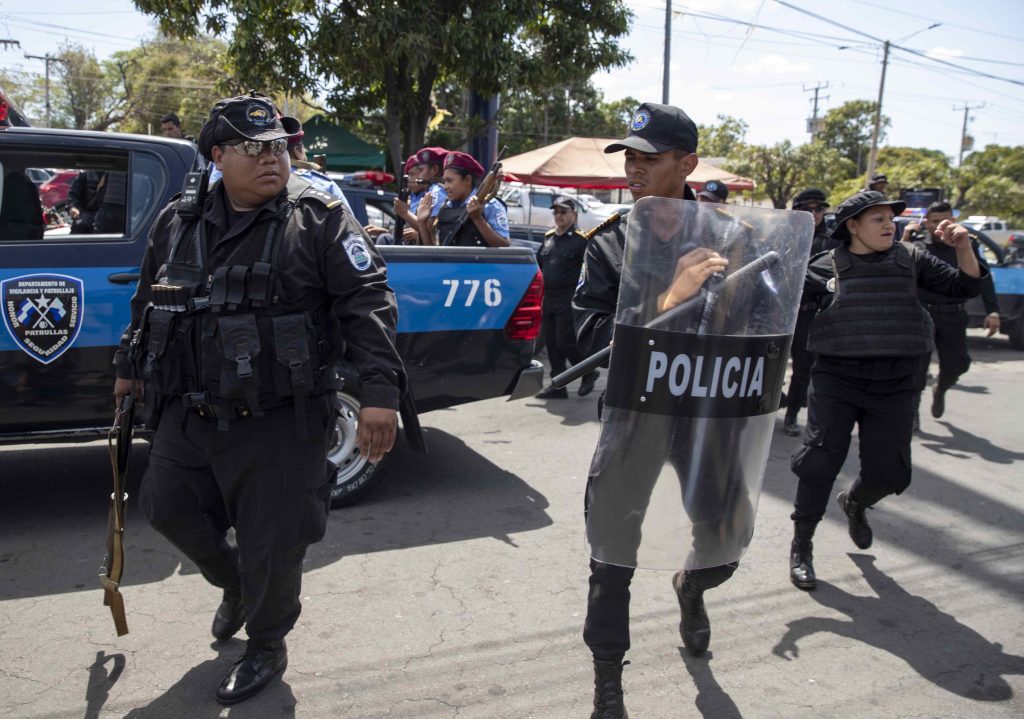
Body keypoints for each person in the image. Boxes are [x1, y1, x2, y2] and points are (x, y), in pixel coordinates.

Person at [112, 92, 405, 706]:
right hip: (189, 409)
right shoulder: (178, 220)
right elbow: (149, 301)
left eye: (279, 147)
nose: (272, 159)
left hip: (280, 417)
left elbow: (367, 303)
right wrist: (129, 369)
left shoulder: (318, 217)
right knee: (166, 509)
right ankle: (233, 584)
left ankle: (267, 642)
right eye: (253, 149)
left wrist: (380, 393)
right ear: (217, 156)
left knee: (274, 545)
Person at [574, 102, 744, 719]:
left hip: (707, 415)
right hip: (635, 413)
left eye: (650, 159)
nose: (635, 171)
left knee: (723, 535)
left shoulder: (733, 236)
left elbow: (765, 325)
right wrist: (671, 298)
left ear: (687, 163)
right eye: (630, 159)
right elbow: (587, 336)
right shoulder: (611, 242)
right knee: (611, 551)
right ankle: (607, 685)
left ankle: (692, 587)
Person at [788, 190, 984, 593]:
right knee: (820, 462)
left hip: (895, 383)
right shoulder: (825, 266)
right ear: (852, 227)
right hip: (837, 378)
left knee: (891, 474)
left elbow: (964, 288)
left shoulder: (911, 259)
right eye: (876, 219)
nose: (887, 224)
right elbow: (778, 301)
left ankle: (856, 502)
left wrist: (964, 247)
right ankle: (802, 545)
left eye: (889, 218)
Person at [903, 200, 1000, 423]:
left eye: (945, 220)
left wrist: (993, 311)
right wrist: (906, 238)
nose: (940, 225)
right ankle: (912, 412)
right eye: (934, 221)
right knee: (916, 368)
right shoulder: (916, 245)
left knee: (958, 363)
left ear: (953, 220)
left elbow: (981, 279)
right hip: (922, 314)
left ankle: (941, 388)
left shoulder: (966, 244)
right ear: (926, 223)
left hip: (953, 313)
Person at [781, 188, 838, 436]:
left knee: (803, 369)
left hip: (809, 312)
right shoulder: (783, 234)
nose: (814, 214)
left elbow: (833, 278)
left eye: (819, 209)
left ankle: (792, 414)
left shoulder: (832, 240)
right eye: (807, 209)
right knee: (768, 364)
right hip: (779, 311)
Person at [534, 195, 598, 399]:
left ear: (574, 214)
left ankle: (588, 371)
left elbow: (589, 272)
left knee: (565, 341)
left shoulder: (581, 240)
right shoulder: (549, 238)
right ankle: (558, 385)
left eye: (563, 212)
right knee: (552, 343)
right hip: (549, 298)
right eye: (556, 212)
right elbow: (539, 266)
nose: (558, 216)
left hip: (568, 298)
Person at [416, 151, 509, 247]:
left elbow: (504, 245)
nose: (445, 186)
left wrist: (478, 219)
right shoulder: (445, 206)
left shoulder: (490, 205)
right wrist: (422, 222)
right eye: (444, 181)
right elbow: (434, 254)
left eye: (449, 180)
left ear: (468, 180)